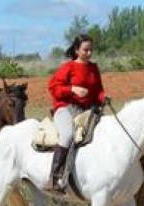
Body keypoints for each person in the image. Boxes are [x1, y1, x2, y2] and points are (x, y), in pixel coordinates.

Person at [46, 34, 107, 192]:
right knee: (67, 135)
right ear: (76, 50)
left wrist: (103, 98)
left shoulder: (93, 68)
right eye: (85, 50)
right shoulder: (68, 67)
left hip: (87, 110)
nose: (89, 53)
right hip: (65, 108)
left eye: (91, 50)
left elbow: (99, 90)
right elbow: (53, 88)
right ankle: (55, 176)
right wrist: (72, 89)